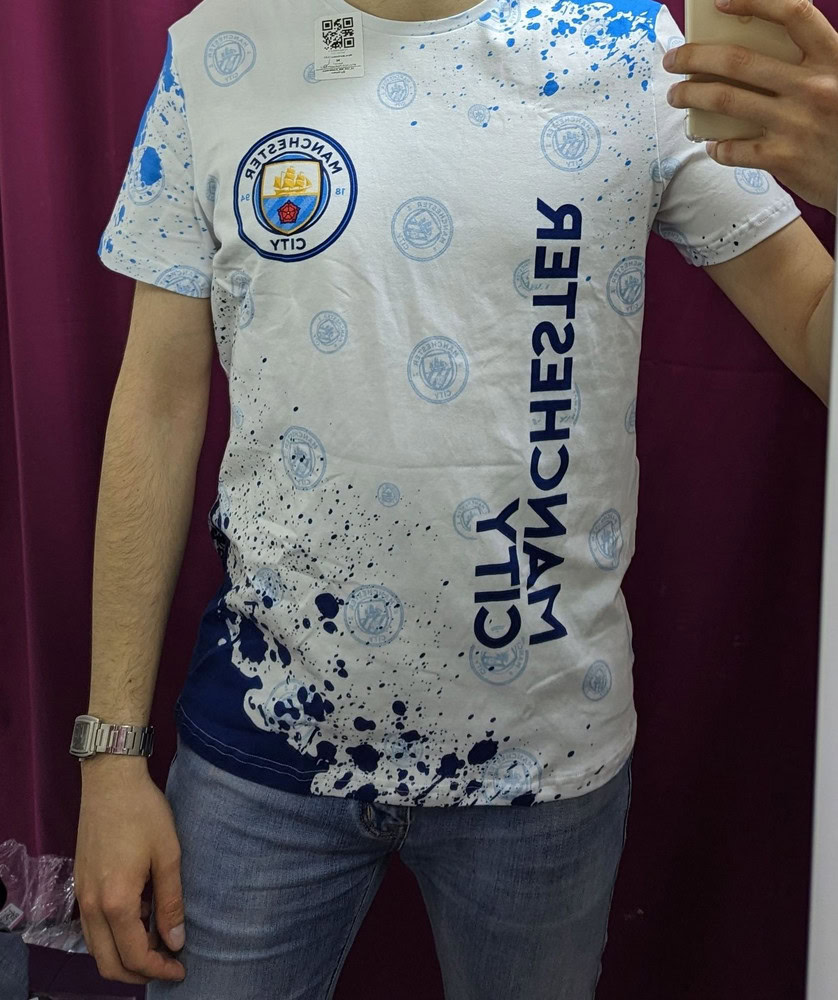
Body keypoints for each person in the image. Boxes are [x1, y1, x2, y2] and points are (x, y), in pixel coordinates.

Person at [73, 0, 836, 997]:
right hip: (263, 734)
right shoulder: (217, 47)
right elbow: (156, 405)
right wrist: (109, 755)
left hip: (545, 752)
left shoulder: (624, 45)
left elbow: (813, 327)